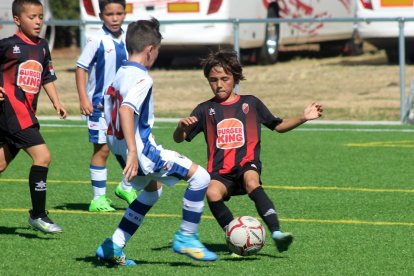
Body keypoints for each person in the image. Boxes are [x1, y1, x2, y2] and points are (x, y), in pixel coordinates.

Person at [173, 49, 324, 254]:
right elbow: (180, 139)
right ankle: (235, 236)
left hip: (246, 164)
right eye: (213, 80)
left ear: (235, 78)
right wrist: (181, 128)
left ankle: (277, 232)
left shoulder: (251, 103)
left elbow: (278, 126)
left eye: (225, 79)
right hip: (220, 171)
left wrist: (303, 117)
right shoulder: (204, 109)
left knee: (252, 181)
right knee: (211, 191)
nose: (219, 84)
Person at [95, 18, 217, 266]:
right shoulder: (143, 78)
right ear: (150, 50)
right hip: (140, 152)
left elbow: (106, 106)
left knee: (152, 193)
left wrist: (124, 149)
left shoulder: (120, 73)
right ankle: (186, 236)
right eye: (158, 50)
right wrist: (132, 151)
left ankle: (115, 244)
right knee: (201, 177)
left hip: (119, 148)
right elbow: (126, 110)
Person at [0, 0, 67, 233]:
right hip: (12, 112)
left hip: (25, 113)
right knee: (43, 156)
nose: (38, 21)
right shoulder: (8, 45)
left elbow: (47, 76)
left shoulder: (42, 46)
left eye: (40, 16)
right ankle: (38, 215)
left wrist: (57, 103)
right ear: (17, 20)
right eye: (32, 17)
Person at [75, 0, 137, 212]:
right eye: (109, 14)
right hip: (99, 108)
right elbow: (81, 68)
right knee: (102, 150)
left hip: (123, 107)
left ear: (125, 14)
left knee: (132, 147)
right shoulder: (96, 40)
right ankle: (98, 199)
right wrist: (83, 98)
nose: (114, 18)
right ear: (101, 15)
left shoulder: (130, 38)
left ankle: (126, 187)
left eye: (119, 13)